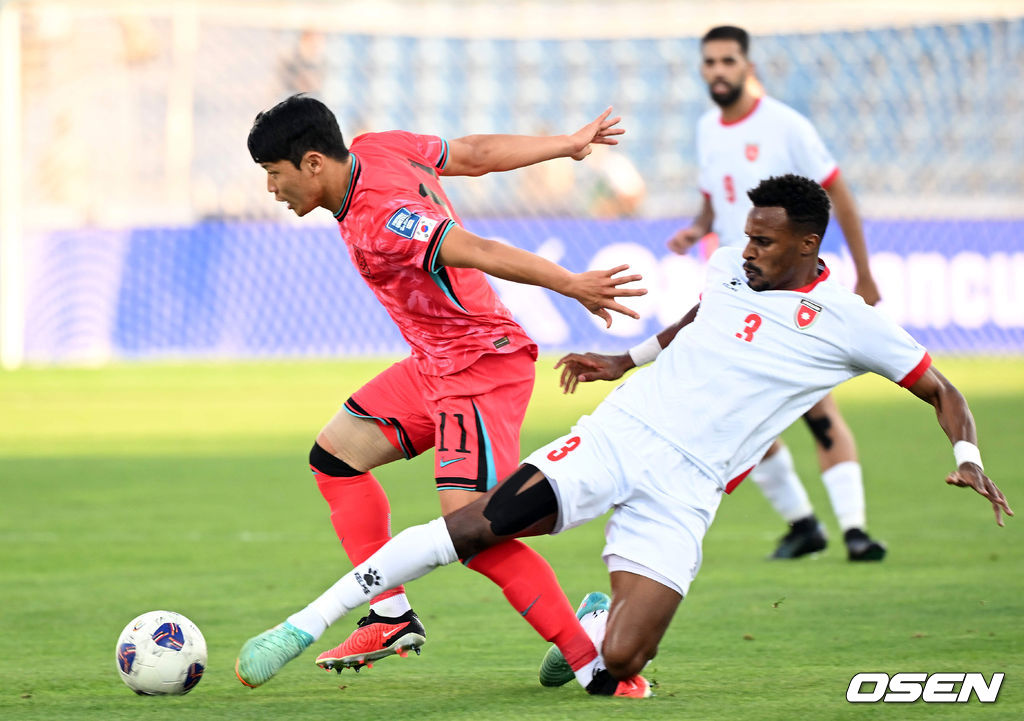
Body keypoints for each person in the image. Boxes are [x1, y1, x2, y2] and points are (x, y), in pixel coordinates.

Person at [235, 174, 1011, 698]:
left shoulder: (853, 324)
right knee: (475, 524)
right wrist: (624, 359)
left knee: (615, 673)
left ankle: (598, 614)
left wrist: (967, 457)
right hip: (621, 435)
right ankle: (306, 622)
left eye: (766, 242)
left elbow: (941, 389)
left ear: (810, 245)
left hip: (689, 489)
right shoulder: (734, 273)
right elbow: (697, 321)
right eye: (748, 236)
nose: (748, 250)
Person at [240, 94, 647, 681]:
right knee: (334, 457)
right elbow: (474, 154)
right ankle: (389, 614)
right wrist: (565, 144)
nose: (272, 191)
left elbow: (478, 249)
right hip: (434, 364)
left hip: (480, 365)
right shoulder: (379, 146)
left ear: (311, 163)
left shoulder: (384, 218)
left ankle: (597, 661)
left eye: (274, 175)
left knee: (473, 530)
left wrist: (571, 284)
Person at [668, 25, 885, 561]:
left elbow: (838, 194)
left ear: (747, 64)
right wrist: (697, 229)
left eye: (727, 61)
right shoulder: (706, 128)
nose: (717, 71)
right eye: (710, 62)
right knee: (744, 411)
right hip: (735, 287)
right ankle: (806, 525)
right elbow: (712, 196)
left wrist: (864, 271)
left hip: (785, 287)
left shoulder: (785, 125)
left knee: (812, 404)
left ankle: (854, 530)